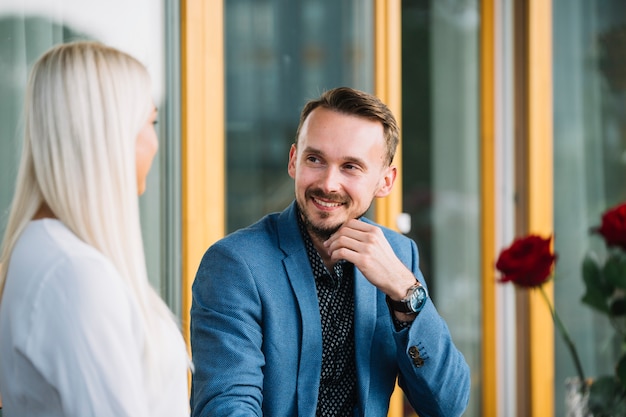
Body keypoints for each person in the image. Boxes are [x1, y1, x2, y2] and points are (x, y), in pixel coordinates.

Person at [190, 87, 470, 417]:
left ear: (385, 181)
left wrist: (404, 291)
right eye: (315, 159)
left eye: (350, 166)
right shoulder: (235, 264)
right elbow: (226, 406)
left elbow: (447, 404)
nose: (328, 183)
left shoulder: (398, 256)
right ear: (294, 160)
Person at [0, 41, 190, 417]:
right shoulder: (74, 276)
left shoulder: (43, 252)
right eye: (149, 122)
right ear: (109, 135)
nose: (154, 141)